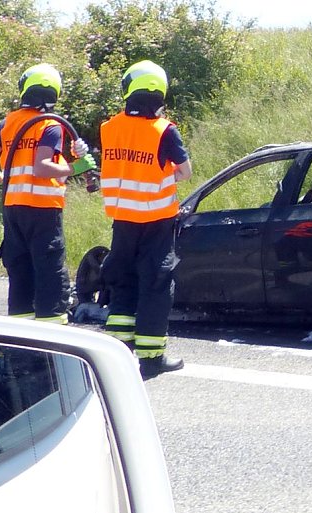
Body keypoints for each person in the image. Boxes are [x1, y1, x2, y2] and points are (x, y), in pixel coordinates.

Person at [0, 63, 96, 324]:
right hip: (42, 209)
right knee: (49, 269)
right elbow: (42, 167)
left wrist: (2, 181)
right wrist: (77, 166)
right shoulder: (50, 126)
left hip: (13, 208)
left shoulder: (8, 123)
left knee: (20, 271)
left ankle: (22, 338)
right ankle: (53, 333)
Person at [99, 59, 192, 378]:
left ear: (128, 90)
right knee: (155, 283)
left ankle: (119, 351)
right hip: (156, 222)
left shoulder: (109, 128)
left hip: (122, 220)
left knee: (122, 279)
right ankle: (151, 358)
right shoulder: (165, 131)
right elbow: (185, 172)